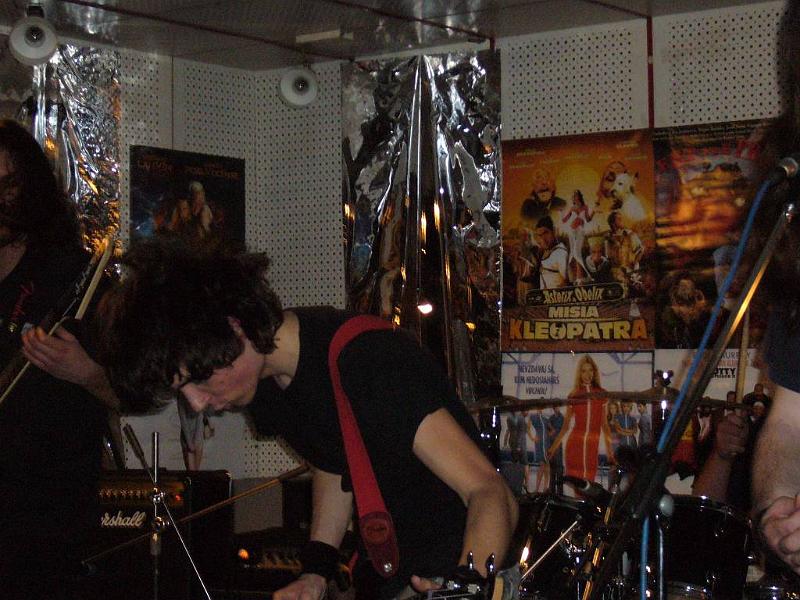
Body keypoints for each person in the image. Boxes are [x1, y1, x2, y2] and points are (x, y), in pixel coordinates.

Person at [98, 237, 519, 600]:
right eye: (182, 390)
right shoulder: (269, 385)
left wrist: (464, 587)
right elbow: (334, 461)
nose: (196, 403)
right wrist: (316, 571)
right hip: (398, 574)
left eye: (199, 380)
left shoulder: (371, 364)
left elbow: (489, 492)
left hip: (465, 566)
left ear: (235, 328)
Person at [0, 119, 118, 598]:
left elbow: (130, 392)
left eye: (7, 186)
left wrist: (86, 373)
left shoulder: (70, 274)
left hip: (52, 525)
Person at [548, 355, 612, 483]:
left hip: (592, 447)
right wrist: (552, 448)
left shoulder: (602, 394)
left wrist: (610, 453)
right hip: (575, 446)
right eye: (584, 371)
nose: (588, 374)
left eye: (590, 370)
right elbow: (565, 427)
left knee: (589, 484)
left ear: (594, 372)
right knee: (577, 485)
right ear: (579, 373)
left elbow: (605, 426)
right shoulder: (574, 395)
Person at [533, 215, 568, 289]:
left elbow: (566, 283)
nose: (543, 239)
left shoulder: (560, 253)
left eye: (546, 233)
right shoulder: (545, 252)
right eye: (540, 235)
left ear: (554, 231)